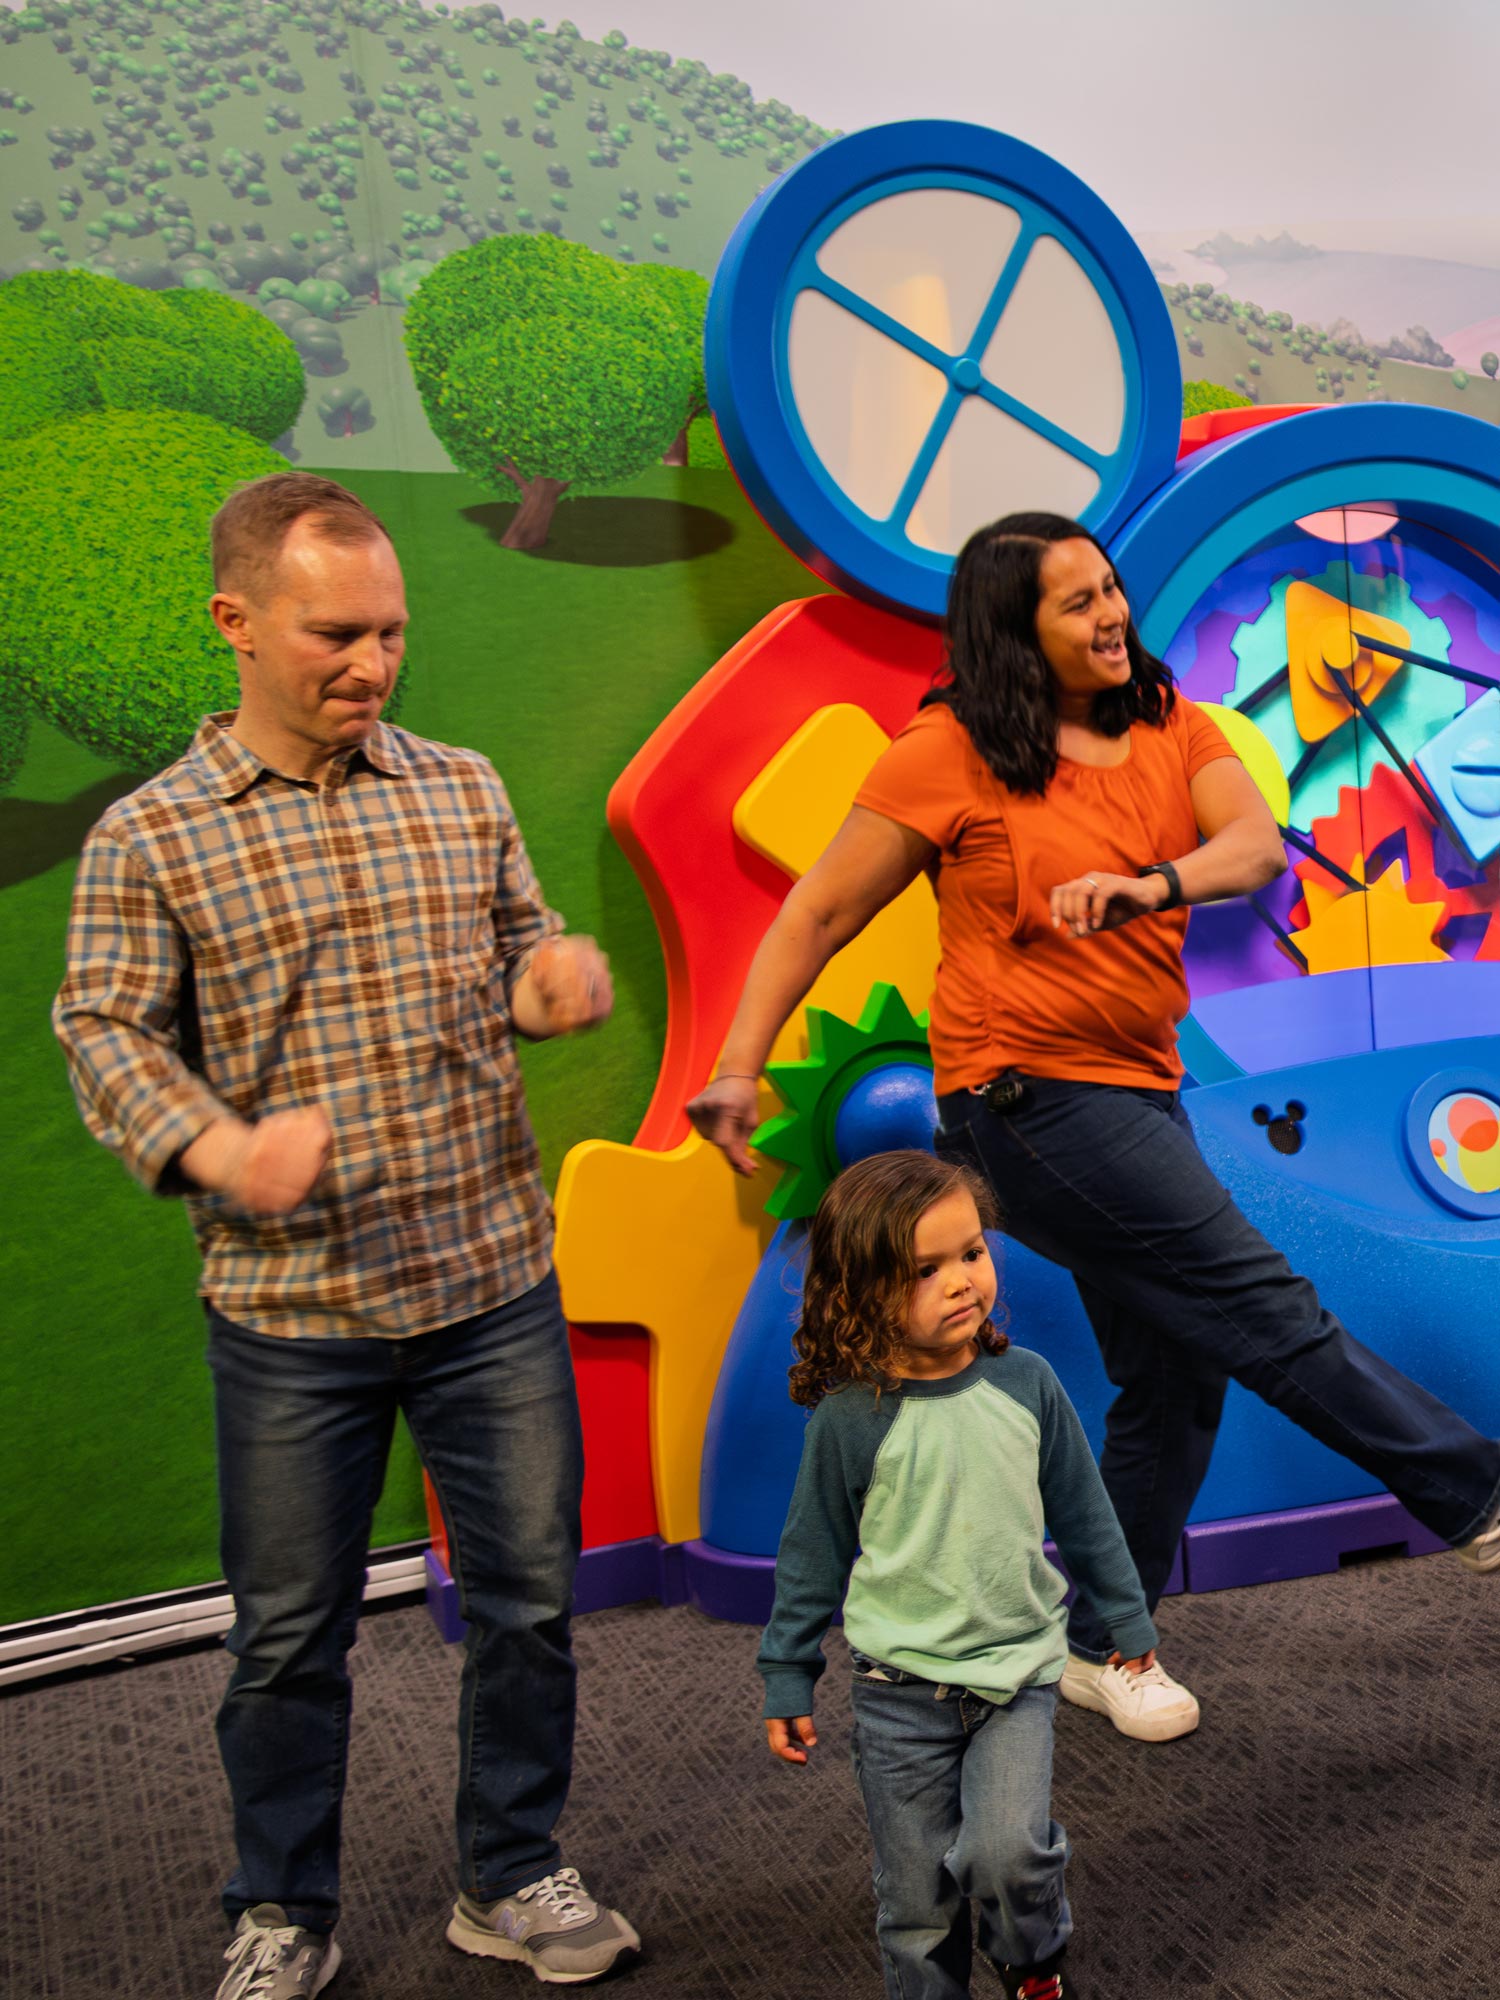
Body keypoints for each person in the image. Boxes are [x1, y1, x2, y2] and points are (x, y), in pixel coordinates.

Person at [695, 510, 1500, 1747]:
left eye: (1109, 589)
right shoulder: (947, 750)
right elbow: (815, 913)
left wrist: (1149, 883)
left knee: (1176, 1370)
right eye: (1076, 602)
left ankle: (1100, 1644)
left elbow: (1248, 846)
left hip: (1134, 1089)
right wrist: (738, 1064)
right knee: (1262, 1307)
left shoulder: (1172, 720)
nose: (1112, 612)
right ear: (1014, 633)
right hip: (1020, 1097)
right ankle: (1476, 1493)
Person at [53, 473, 640, 1996]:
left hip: (490, 1284)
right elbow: (105, 1032)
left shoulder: (460, 785)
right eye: (335, 634)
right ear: (235, 624)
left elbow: (522, 948)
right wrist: (218, 1144)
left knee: (526, 1605)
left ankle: (509, 1872)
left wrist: (550, 981)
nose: (371, 664)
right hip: (290, 1319)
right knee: (286, 1641)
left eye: (390, 631)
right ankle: (283, 1910)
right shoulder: (152, 838)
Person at [760, 1149, 1155, 2000]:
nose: (962, 1282)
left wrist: (1128, 1619)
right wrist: (787, 1675)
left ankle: (1032, 1959)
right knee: (915, 1905)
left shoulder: (1028, 1385)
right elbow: (812, 1554)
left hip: (1016, 1676)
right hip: (896, 1692)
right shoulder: (850, 1418)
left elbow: (1087, 1516)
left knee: (1006, 1857)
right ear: (861, 1290)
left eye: (971, 1253)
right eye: (924, 1269)